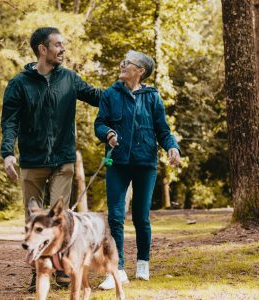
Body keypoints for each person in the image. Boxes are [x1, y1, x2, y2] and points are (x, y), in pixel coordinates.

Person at [0, 27, 101, 292]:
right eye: (58, 45)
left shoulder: (69, 78)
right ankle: (39, 269)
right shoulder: (19, 84)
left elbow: (98, 97)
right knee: (35, 221)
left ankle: (62, 269)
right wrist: (8, 152)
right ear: (42, 49)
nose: (63, 49)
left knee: (61, 217)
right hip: (32, 161)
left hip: (63, 159)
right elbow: (9, 122)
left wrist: (129, 89)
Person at [94, 50, 180, 289]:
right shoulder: (111, 94)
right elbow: (100, 123)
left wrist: (172, 147)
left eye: (127, 63)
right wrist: (108, 134)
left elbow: (162, 130)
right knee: (115, 216)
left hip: (145, 163)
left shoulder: (152, 97)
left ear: (140, 71)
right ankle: (117, 269)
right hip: (118, 163)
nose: (122, 65)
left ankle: (143, 262)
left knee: (142, 217)